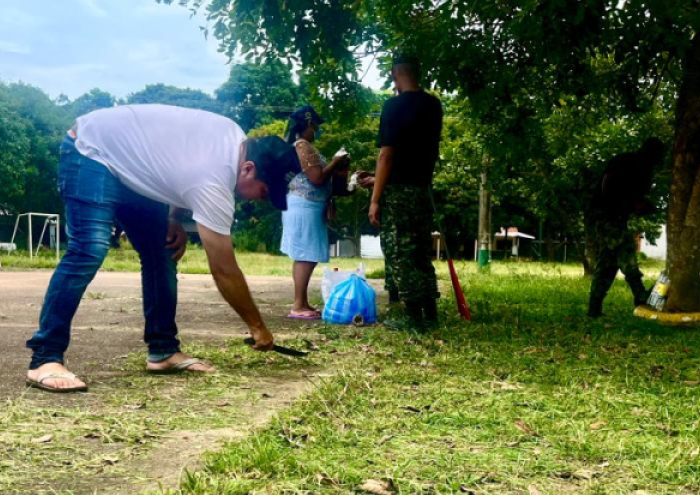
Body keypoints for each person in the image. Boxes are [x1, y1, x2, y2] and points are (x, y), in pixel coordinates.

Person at [24, 104, 301, 393]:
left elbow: (175, 164)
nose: (262, 200)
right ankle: (45, 357)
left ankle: (163, 350)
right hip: (91, 150)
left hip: (131, 163)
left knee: (162, 251)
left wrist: (173, 217)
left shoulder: (235, 139)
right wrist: (257, 327)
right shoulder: (214, 178)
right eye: (265, 191)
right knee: (88, 249)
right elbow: (224, 270)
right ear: (248, 169)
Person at [367, 54, 444, 331]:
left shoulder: (393, 106)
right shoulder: (434, 105)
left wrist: (375, 199)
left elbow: (387, 155)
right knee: (421, 253)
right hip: (423, 189)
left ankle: (413, 318)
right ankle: (430, 313)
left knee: (400, 253)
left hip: (398, 192)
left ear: (394, 74)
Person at [281, 105, 349, 320]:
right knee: (305, 255)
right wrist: (335, 161)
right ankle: (298, 305)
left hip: (308, 206)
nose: (317, 130)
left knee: (306, 254)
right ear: (309, 124)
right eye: (316, 126)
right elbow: (317, 178)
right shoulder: (303, 145)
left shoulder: (301, 146)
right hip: (304, 206)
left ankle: (302, 302)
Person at [586, 137, 665, 318]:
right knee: (625, 247)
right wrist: (623, 205)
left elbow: (635, 200)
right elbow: (608, 184)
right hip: (604, 214)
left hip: (616, 216)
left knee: (608, 263)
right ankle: (639, 294)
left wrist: (641, 206)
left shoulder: (645, 169)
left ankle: (594, 308)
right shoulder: (627, 161)